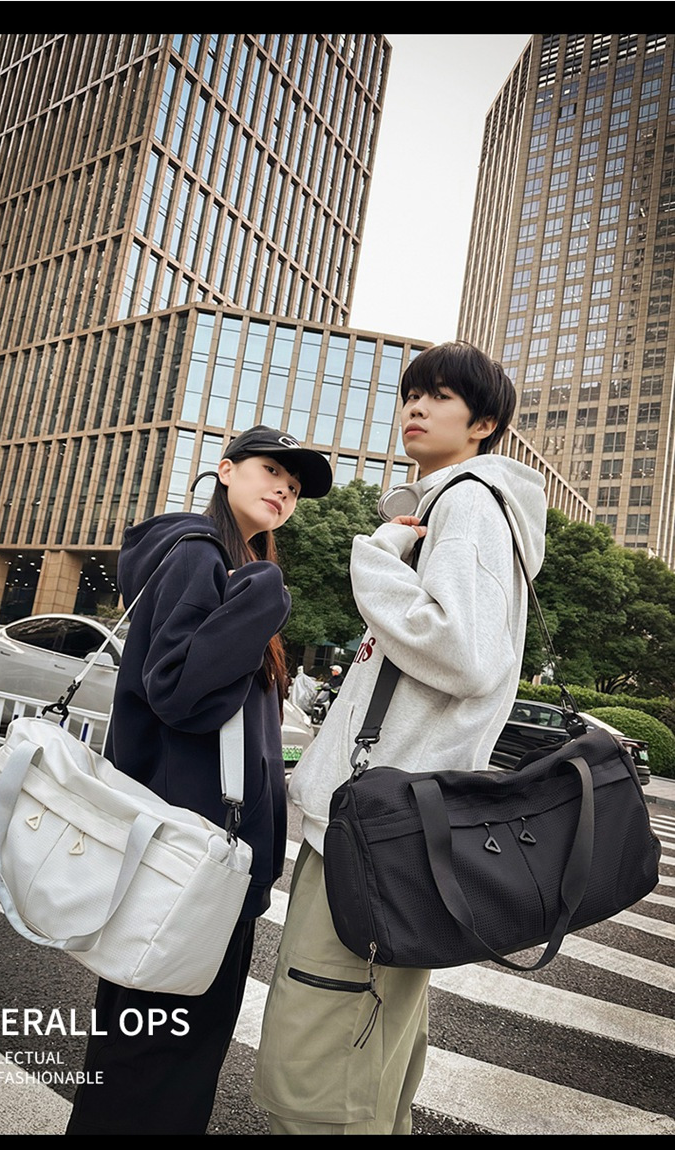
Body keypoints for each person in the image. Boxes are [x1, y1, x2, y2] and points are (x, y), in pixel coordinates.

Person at [252, 341, 547, 1134]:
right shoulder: (458, 503)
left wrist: (376, 562)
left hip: (376, 830)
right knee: (369, 1046)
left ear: (483, 423)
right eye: (412, 394)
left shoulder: (470, 504)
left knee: (321, 1059)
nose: (416, 407)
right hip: (391, 823)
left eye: (441, 396)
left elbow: (464, 653)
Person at [65, 425, 332, 1136]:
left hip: (199, 850)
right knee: (160, 1057)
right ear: (225, 469)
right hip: (191, 854)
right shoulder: (201, 555)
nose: (284, 491)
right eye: (271, 471)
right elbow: (180, 693)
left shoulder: (230, 562)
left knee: (153, 1050)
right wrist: (263, 595)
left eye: (294, 487)